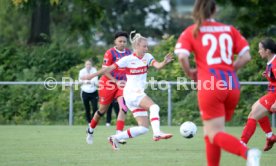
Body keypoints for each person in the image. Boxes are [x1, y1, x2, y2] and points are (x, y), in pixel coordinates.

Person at [174, 0, 261, 165]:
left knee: (214, 133)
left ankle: (248, 153)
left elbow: (182, 57)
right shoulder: (229, 30)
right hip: (232, 84)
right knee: (211, 133)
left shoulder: (193, 31)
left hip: (210, 85)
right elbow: (246, 56)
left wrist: (190, 73)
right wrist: (231, 70)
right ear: (215, 11)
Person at [83, 31, 174, 150]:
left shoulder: (148, 57)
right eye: (144, 46)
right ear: (136, 46)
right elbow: (108, 69)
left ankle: (115, 137)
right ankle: (157, 133)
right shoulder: (127, 59)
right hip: (132, 93)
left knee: (143, 128)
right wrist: (91, 76)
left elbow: (157, 66)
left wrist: (164, 62)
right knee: (154, 107)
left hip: (133, 94)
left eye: (147, 46)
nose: (146, 48)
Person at [84, 31, 131, 145]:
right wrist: (115, 81)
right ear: (115, 41)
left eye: (124, 41)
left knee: (123, 107)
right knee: (101, 111)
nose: (122, 43)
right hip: (107, 84)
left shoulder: (129, 53)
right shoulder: (110, 53)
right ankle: (90, 130)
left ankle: (118, 135)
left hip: (121, 85)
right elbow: (105, 71)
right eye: (120, 41)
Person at [240, 38, 276, 151]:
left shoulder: (275, 64)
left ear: (268, 51)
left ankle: (242, 144)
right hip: (272, 93)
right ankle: (270, 137)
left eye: (260, 49)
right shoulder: (271, 61)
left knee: (253, 115)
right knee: (254, 109)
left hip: (274, 95)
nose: (259, 51)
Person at [78, 60, 98, 128]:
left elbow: (95, 80)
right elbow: (80, 81)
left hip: (93, 91)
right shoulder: (81, 71)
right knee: (87, 108)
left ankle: (93, 121)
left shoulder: (94, 70)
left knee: (95, 108)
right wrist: (88, 81)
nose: (88, 65)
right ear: (85, 65)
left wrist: (86, 80)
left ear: (91, 64)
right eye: (87, 64)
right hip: (85, 91)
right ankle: (89, 122)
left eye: (89, 64)